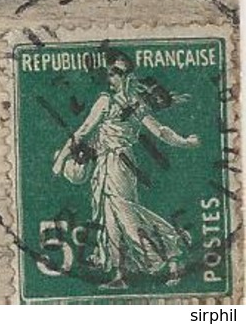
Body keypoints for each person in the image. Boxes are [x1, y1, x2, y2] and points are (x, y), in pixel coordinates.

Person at [55, 54, 200, 289]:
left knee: (126, 215)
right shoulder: (104, 101)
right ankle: (120, 274)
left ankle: (170, 249)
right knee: (110, 219)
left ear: (129, 76)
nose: (112, 76)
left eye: (118, 72)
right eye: (111, 71)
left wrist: (185, 142)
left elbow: (160, 131)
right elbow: (82, 132)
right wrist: (61, 160)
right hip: (103, 165)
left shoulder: (136, 105)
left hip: (122, 164)